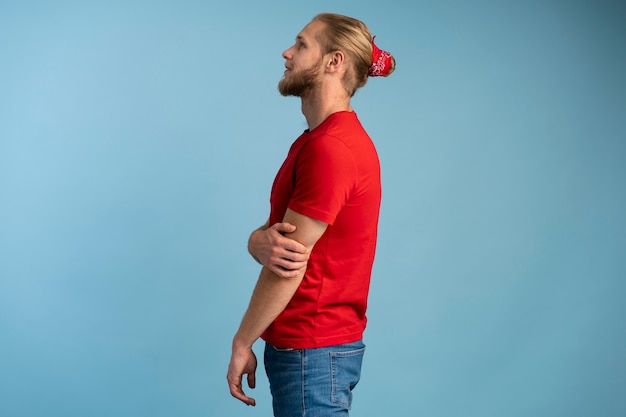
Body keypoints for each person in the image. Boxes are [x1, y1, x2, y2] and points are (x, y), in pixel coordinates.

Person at [227, 12, 395, 416]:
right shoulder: (316, 141)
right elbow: (275, 241)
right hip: (309, 351)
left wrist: (242, 341)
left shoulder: (331, 149)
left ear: (334, 62)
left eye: (302, 45)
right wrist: (256, 241)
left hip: (312, 352)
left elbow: (287, 263)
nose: (287, 53)